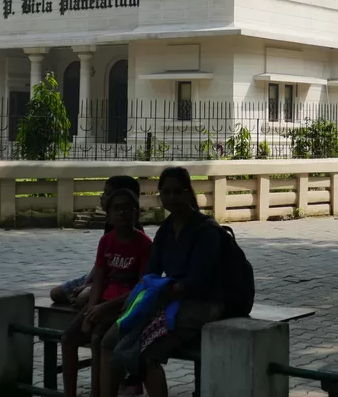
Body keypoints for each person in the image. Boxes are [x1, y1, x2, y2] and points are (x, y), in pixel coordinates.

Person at [100, 166, 226, 397]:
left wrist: (162, 294)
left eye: (177, 192)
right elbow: (151, 273)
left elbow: (198, 280)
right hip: (168, 299)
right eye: (165, 192)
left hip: (202, 304)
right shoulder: (166, 230)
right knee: (111, 339)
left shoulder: (205, 229)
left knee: (146, 351)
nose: (171, 197)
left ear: (189, 193)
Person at [61, 187, 152, 397]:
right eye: (116, 209)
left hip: (124, 305)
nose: (121, 213)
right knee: (68, 338)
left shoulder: (144, 244)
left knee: (97, 339)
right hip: (102, 301)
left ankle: (98, 392)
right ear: (108, 214)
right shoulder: (106, 241)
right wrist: (91, 309)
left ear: (136, 213)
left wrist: (103, 309)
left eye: (127, 208)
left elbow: (140, 288)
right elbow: (99, 278)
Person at [50, 175, 145, 308]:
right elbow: (100, 265)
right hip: (102, 277)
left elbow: (127, 275)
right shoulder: (109, 230)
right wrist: (87, 283)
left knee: (82, 299)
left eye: (107, 193)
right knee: (56, 293)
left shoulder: (136, 236)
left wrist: (90, 286)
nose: (102, 197)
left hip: (118, 282)